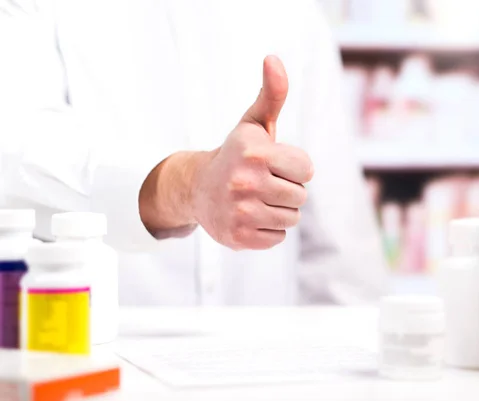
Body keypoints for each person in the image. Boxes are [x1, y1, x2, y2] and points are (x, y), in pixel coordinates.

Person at [0, 0, 389, 306]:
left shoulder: (294, 13)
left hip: (263, 372)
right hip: (93, 364)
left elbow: (339, 248)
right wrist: (185, 186)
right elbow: (19, 153)